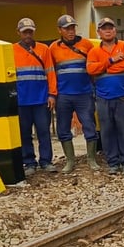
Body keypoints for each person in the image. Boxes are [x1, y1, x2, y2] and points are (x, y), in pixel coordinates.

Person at [48, 14, 98, 173]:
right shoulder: (53, 48)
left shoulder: (87, 44)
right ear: (59, 30)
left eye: (72, 28)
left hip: (84, 93)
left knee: (89, 125)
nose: (70, 31)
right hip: (63, 95)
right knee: (63, 128)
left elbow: (93, 67)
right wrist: (53, 94)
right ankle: (70, 160)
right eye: (66, 28)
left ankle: (91, 159)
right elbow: (51, 72)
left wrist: (94, 89)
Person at [87, 17, 124, 175]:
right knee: (107, 130)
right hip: (103, 97)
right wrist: (110, 61)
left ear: (115, 30)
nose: (108, 30)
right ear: (99, 32)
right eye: (104, 28)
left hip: (123, 96)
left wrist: (105, 69)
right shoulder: (94, 51)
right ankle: (113, 162)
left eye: (110, 27)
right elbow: (90, 69)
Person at [13, 17, 56, 175]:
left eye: (30, 31)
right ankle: (29, 162)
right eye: (25, 32)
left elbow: (50, 72)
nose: (28, 35)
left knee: (44, 132)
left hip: (41, 99)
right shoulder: (11, 50)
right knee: (24, 133)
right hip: (21, 100)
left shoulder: (44, 49)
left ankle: (46, 161)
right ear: (18, 33)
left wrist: (52, 94)